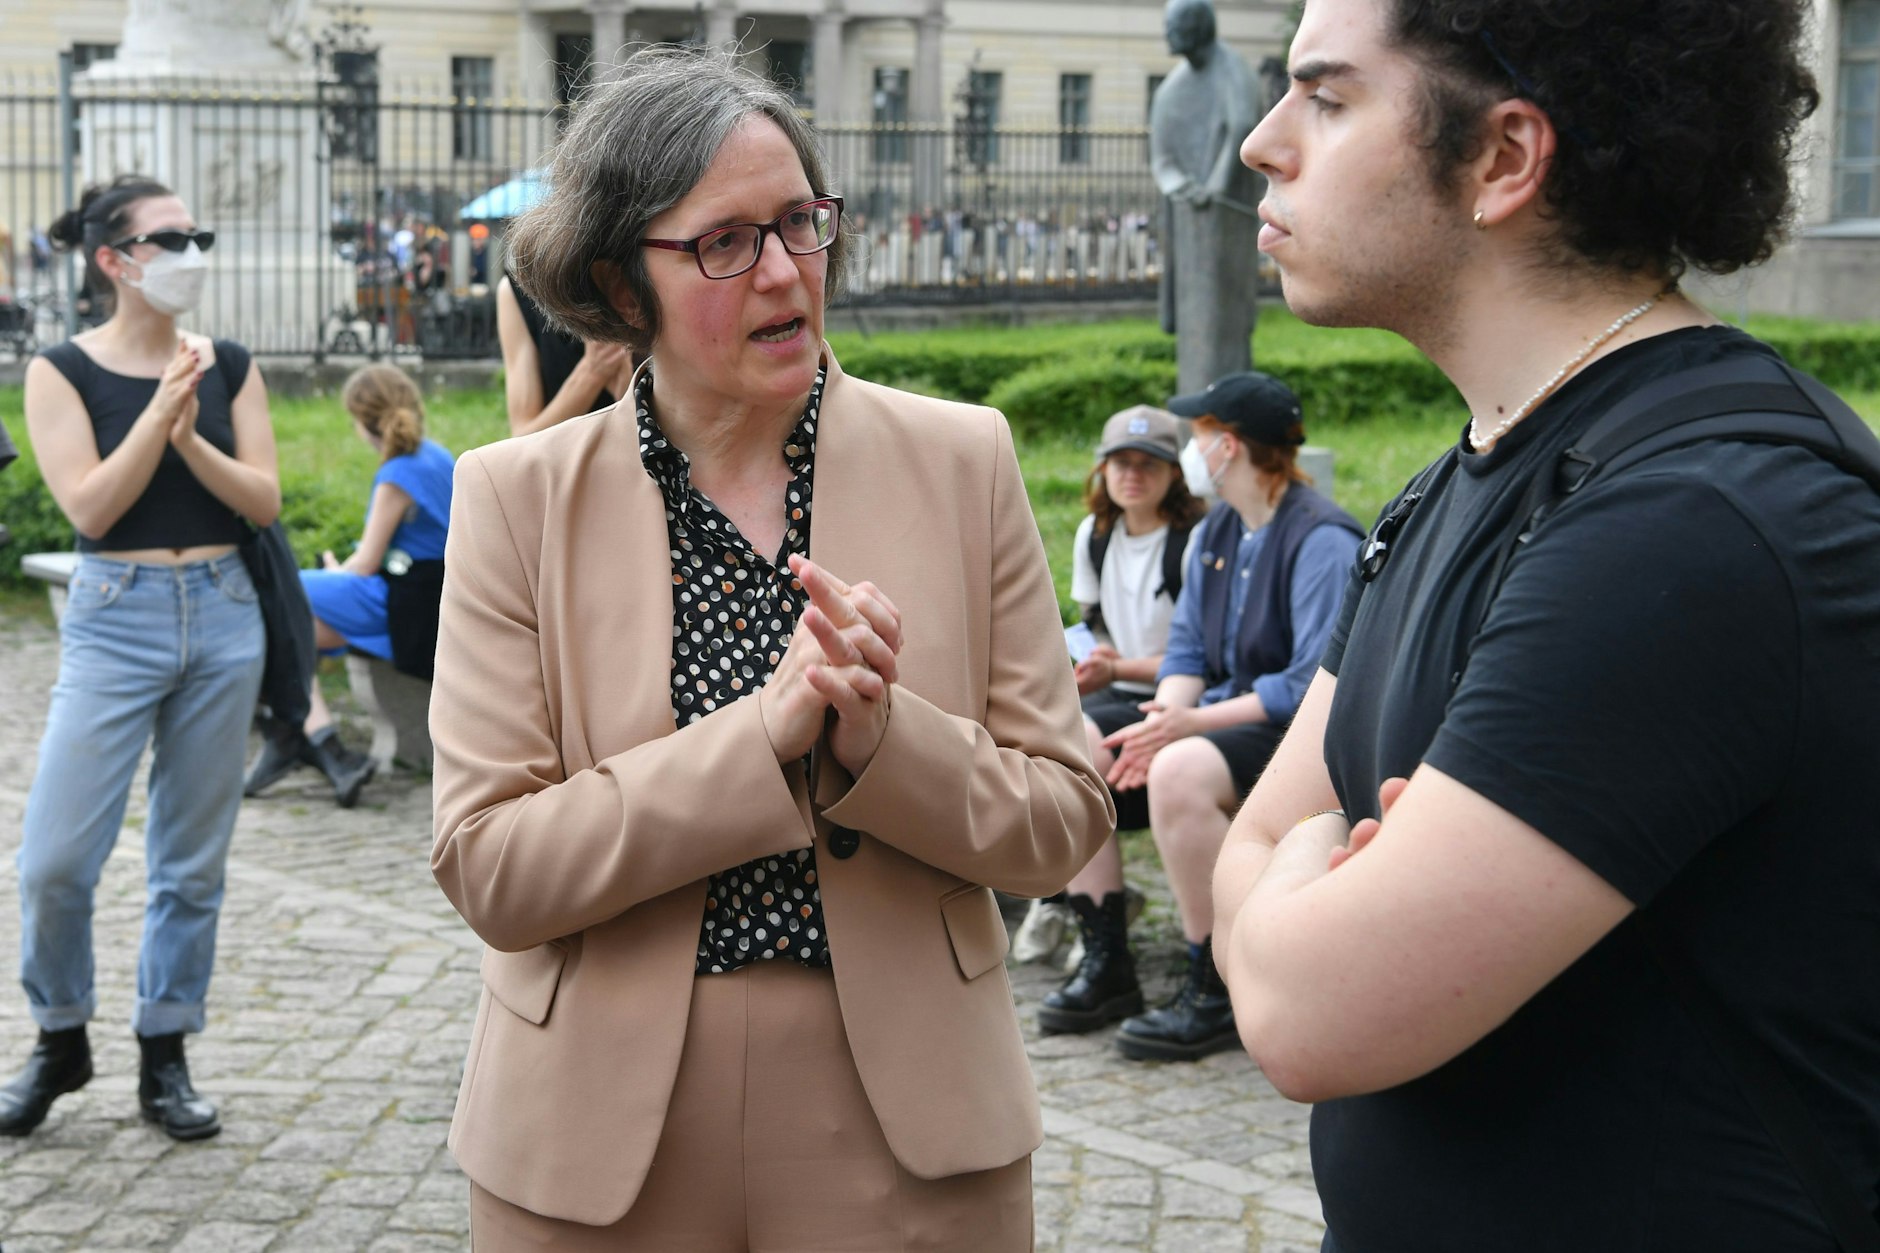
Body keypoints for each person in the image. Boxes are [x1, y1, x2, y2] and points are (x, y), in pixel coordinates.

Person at [1213, 2, 1880, 1250]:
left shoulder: (1691, 523)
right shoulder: (1455, 481)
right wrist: (1311, 884)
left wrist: (1298, 892)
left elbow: (1312, 1011)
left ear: (1502, 158)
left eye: (1328, 96)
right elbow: (1240, 840)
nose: (1261, 141)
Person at [429, 46, 1110, 1249]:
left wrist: (879, 738)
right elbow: (491, 867)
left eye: (801, 222)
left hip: (905, 1111)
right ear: (615, 280)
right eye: (724, 241)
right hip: (597, 1124)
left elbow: (1061, 819)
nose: (787, 270)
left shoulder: (962, 460)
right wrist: (761, 737)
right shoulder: (512, 496)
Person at [3, 175, 280, 1141]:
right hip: (114, 614)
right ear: (114, 259)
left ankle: (165, 1051)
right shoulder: (60, 371)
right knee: (55, 860)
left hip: (223, 613)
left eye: (197, 232)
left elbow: (264, 500)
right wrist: (163, 406)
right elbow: (88, 507)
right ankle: (59, 1034)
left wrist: (191, 431)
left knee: (189, 861)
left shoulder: (231, 362)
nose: (191, 250)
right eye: (171, 237)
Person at [1083, 371, 1359, 1061]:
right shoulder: (1222, 529)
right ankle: (1105, 957)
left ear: (1228, 446)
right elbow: (1187, 652)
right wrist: (1161, 717)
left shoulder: (1321, 538)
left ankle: (1216, 983)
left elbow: (1306, 686)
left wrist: (1186, 728)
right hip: (1223, 713)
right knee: (1082, 737)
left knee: (1179, 768)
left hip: (1297, 733)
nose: (1191, 450)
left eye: (1198, 435)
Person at [1016, 405, 1201, 1001]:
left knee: (1082, 744)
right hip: (1120, 692)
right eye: (1121, 462)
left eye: (1149, 465)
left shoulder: (1193, 541)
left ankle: (1098, 940)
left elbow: (1200, 652)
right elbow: (1094, 624)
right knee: (1038, 734)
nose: (1133, 476)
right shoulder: (1095, 536)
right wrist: (1092, 662)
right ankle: (1093, 930)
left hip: (1182, 698)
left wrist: (1117, 665)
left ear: (1174, 475)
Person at [242, 364, 454, 808]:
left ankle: (306, 739)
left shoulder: (398, 472)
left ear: (362, 420)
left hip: (406, 603)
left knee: (281, 593)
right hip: (430, 595)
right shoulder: (435, 455)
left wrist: (338, 570)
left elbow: (366, 563)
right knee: (290, 625)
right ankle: (321, 744)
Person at [1150, 0, 1264, 393]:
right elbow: (1162, 158)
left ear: (1198, 28)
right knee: (1195, 318)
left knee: (1225, 317)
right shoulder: (1171, 90)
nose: (1167, 34)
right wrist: (1184, 188)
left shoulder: (1234, 72)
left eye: (1174, 25)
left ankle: (1227, 407)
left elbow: (1242, 127)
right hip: (1189, 221)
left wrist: (1215, 187)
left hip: (1227, 219)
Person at [495, 273, 635, 437]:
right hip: (560, 458)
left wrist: (627, 391)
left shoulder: (641, 274)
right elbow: (522, 439)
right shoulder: (518, 290)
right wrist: (592, 372)